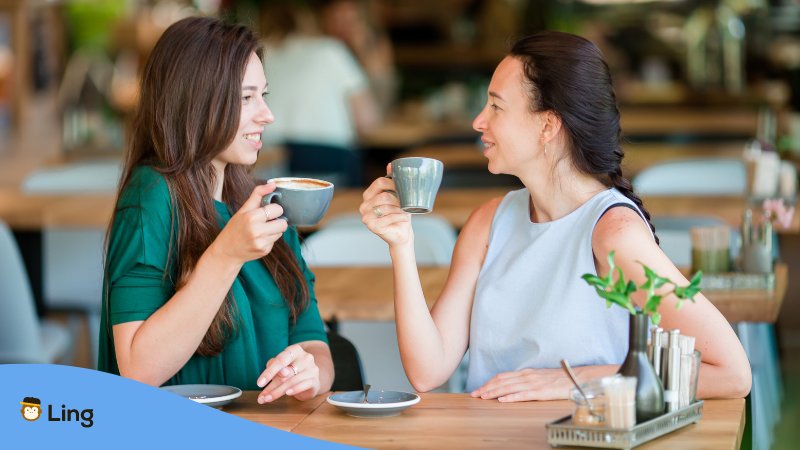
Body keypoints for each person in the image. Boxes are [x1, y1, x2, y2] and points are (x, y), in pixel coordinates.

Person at [359, 31, 752, 402]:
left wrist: (574, 380)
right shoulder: (487, 223)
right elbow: (428, 371)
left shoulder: (614, 234)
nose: (479, 121)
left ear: (547, 124)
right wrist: (402, 246)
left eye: (496, 106)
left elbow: (732, 373)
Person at [98, 17, 333, 404]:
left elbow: (314, 342)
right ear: (195, 101)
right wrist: (227, 253)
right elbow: (137, 370)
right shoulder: (151, 199)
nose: (267, 114)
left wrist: (311, 374)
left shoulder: (268, 201)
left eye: (264, 95)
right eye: (246, 98)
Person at [260, 3, 381, 187]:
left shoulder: (258, 54)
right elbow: (367, 121)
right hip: (326, 159)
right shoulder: (330, 50)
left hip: (267, 159)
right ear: (311, 22)